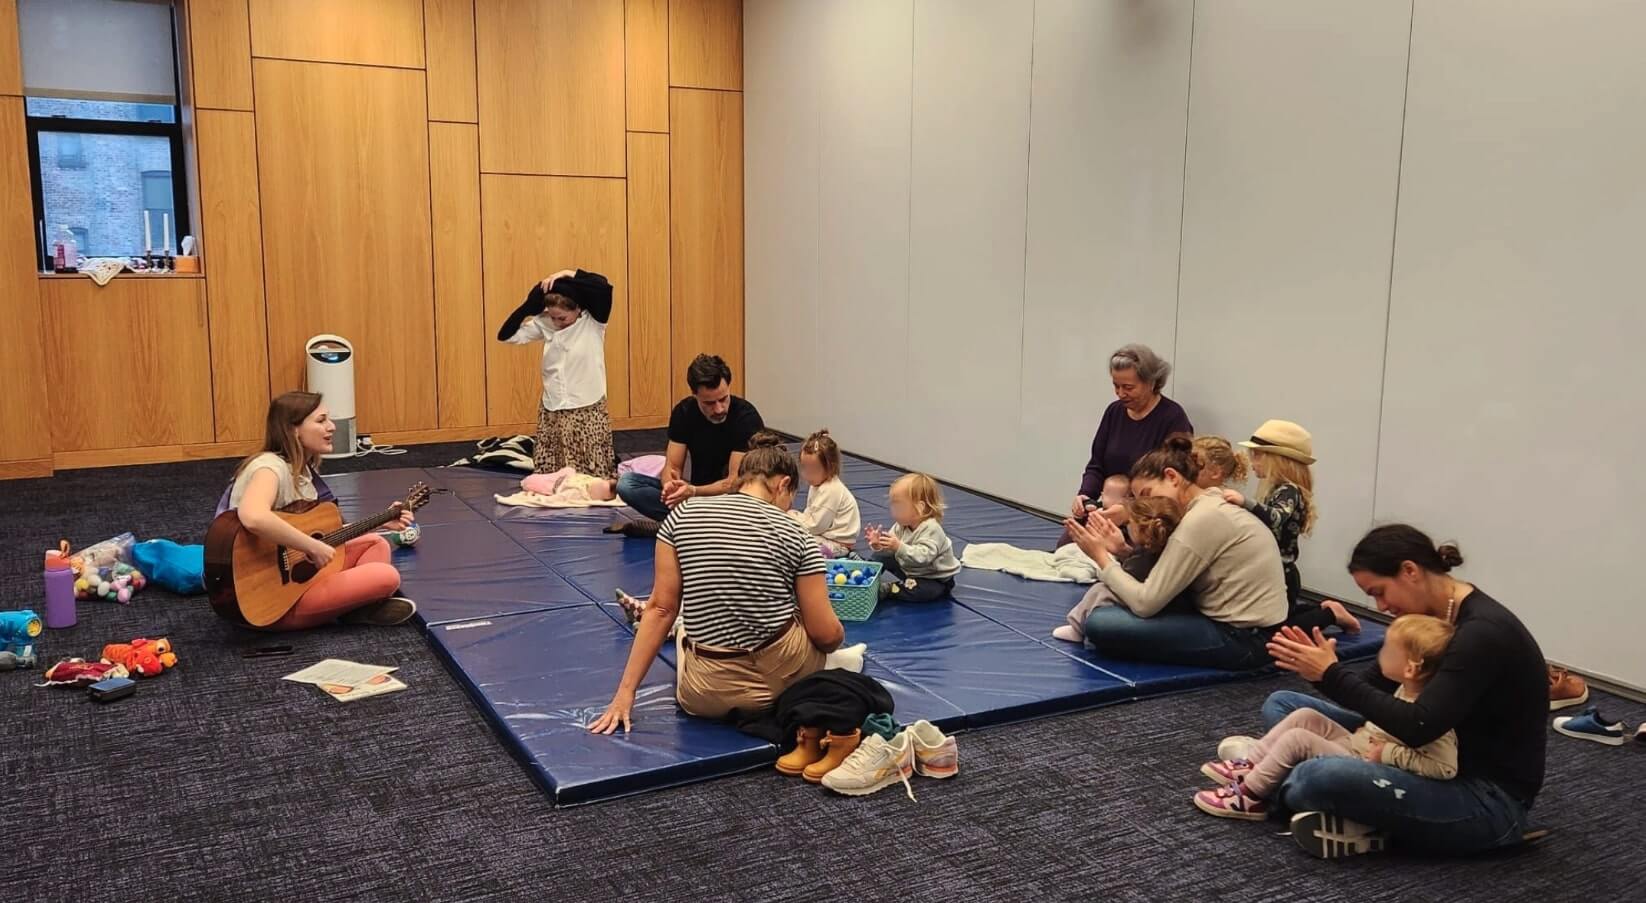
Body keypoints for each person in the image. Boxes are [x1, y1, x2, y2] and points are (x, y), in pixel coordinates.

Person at [1252, 525, 1547, 859]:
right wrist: (1318, 670)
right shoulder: (1427, 617)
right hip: (1407, 752)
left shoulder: (1480, 634)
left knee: (1314, 776)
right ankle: (1299, 782)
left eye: (1380, 592)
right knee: (1284, 705)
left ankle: (1269, 779)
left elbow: (1418, 727)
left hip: (1483, 796)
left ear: (1410, 571)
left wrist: (1330, 675)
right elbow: (1373, 690)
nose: (1380, 606)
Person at [589, 446, 845, 730]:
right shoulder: (798, 535)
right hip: (782, 681)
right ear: (783, 484)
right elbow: (825, 634)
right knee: (809, 621)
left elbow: (661, 608)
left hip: (705, 695)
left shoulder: (680, 515)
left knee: (684, 627)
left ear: (740, 480)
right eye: (789, 499)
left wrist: (625, 693)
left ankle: (685, 629)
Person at [1193, 614, 1458, 820]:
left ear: (1411, 668)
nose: (1381, 653)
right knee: (1306, 716)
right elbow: (1358, 695)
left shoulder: (1429, 710)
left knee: (1298, 740)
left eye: (1388, 649)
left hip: (1368, 763)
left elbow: (1445, 767)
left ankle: (1251, 798)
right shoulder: (1405, 686)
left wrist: (1387, 754)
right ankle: (1251, 765)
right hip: (1358, 744)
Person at [1065, 436, 1287, 670]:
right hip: (1248, 628)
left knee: (1101, 623)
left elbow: (1145, 602)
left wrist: (1100, 557)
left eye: (1147, 493)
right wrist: (1123, 551)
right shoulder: (1207, 503)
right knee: (1117, 599)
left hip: (1245, 640)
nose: (1144, 505)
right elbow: (1166, 577)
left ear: (1172, 477)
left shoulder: (1201, 519)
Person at [213, 391, 416, 629]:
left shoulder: (302, 473)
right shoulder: (268, 468)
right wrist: (311, 546)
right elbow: (253, 517)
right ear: (293, 430)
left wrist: (380, 522)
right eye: (321, 421)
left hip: (293, 579)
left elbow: (320, 535)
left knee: (375, 543)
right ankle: (350, 607)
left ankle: (349, 605)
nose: (331, 427)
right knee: (387, 576)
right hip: (268, 602)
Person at [1222, 420, 1360, 633]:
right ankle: (1325, 610)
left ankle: (1330, 615)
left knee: (1276, 629)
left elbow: (1276, 517)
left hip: (1283, 572)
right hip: (1273, 569)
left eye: (1258, 455)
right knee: (1279, 618)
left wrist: (1244, 503)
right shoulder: (1276, 491)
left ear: (1276, 460)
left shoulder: (1289, 491)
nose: (1252, 462)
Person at [1059, 344, 1194, 545]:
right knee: (1067, 546)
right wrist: (1084, 495)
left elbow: (1175, 485)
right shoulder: (1114, 412)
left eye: (1128, 387)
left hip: (1148, 519)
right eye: (1116, 386)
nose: (1120, 393)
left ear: (1152, 383)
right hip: (1107, 511)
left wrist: (1130, 511)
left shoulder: (1173, 418)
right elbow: (1097, 465)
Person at [614, 354, 765, 530]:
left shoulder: (746, 418)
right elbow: (672, 467)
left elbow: (732, 483)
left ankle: (684, 525)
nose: (719, 409)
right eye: (709, 403)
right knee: (626, 484)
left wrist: (693, 491)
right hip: (696, 498)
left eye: (723, 399)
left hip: (734, 500)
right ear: (695, 395)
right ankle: (693, 525)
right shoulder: (684, 412)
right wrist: (671, 486)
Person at [495, 269, 617, 477]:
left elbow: (602, 286)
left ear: (578, 308)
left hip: (585, 404)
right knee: (552, 468)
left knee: (590, 473)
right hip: (553, 404)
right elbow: (506, 336)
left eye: (562, 318)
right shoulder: (545, 324)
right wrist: (527, 308)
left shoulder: (594, 322)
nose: (557, 323)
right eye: (553, 317)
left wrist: (569, 273)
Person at [1053, 495, 1184, 644]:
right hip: (1173, 604)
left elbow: (1122, 579)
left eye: (1129, 523)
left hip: (1151, 605)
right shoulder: (1166, 549)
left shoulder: (1141, 559)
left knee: (1100, 590)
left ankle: (1077, 628)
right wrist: (1122, 550)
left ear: (1138, 530)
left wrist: (1101, 558)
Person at [865, 474, 960, 603]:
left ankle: (891, 589)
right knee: (882, 556)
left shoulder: (932, 529)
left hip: (933, 577)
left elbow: (923, 558)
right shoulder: (901, 526)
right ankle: (867, 575)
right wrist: (879, 545)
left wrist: (898, 546)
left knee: (927, 591)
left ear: (919, 508)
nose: (893, 510)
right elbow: (890, 550)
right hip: (910, 568)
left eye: (898, 506)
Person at [788, 429, 862, 558]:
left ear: (830, 467)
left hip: (838, 545)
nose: (807, 474)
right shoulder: (818, 484)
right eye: (805, 467)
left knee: (797, 542)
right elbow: (811, 513)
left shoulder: (830, 490)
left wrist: (793, 521)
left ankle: (847, 557)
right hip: (824, 536)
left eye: (814, 470)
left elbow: (816, 526)